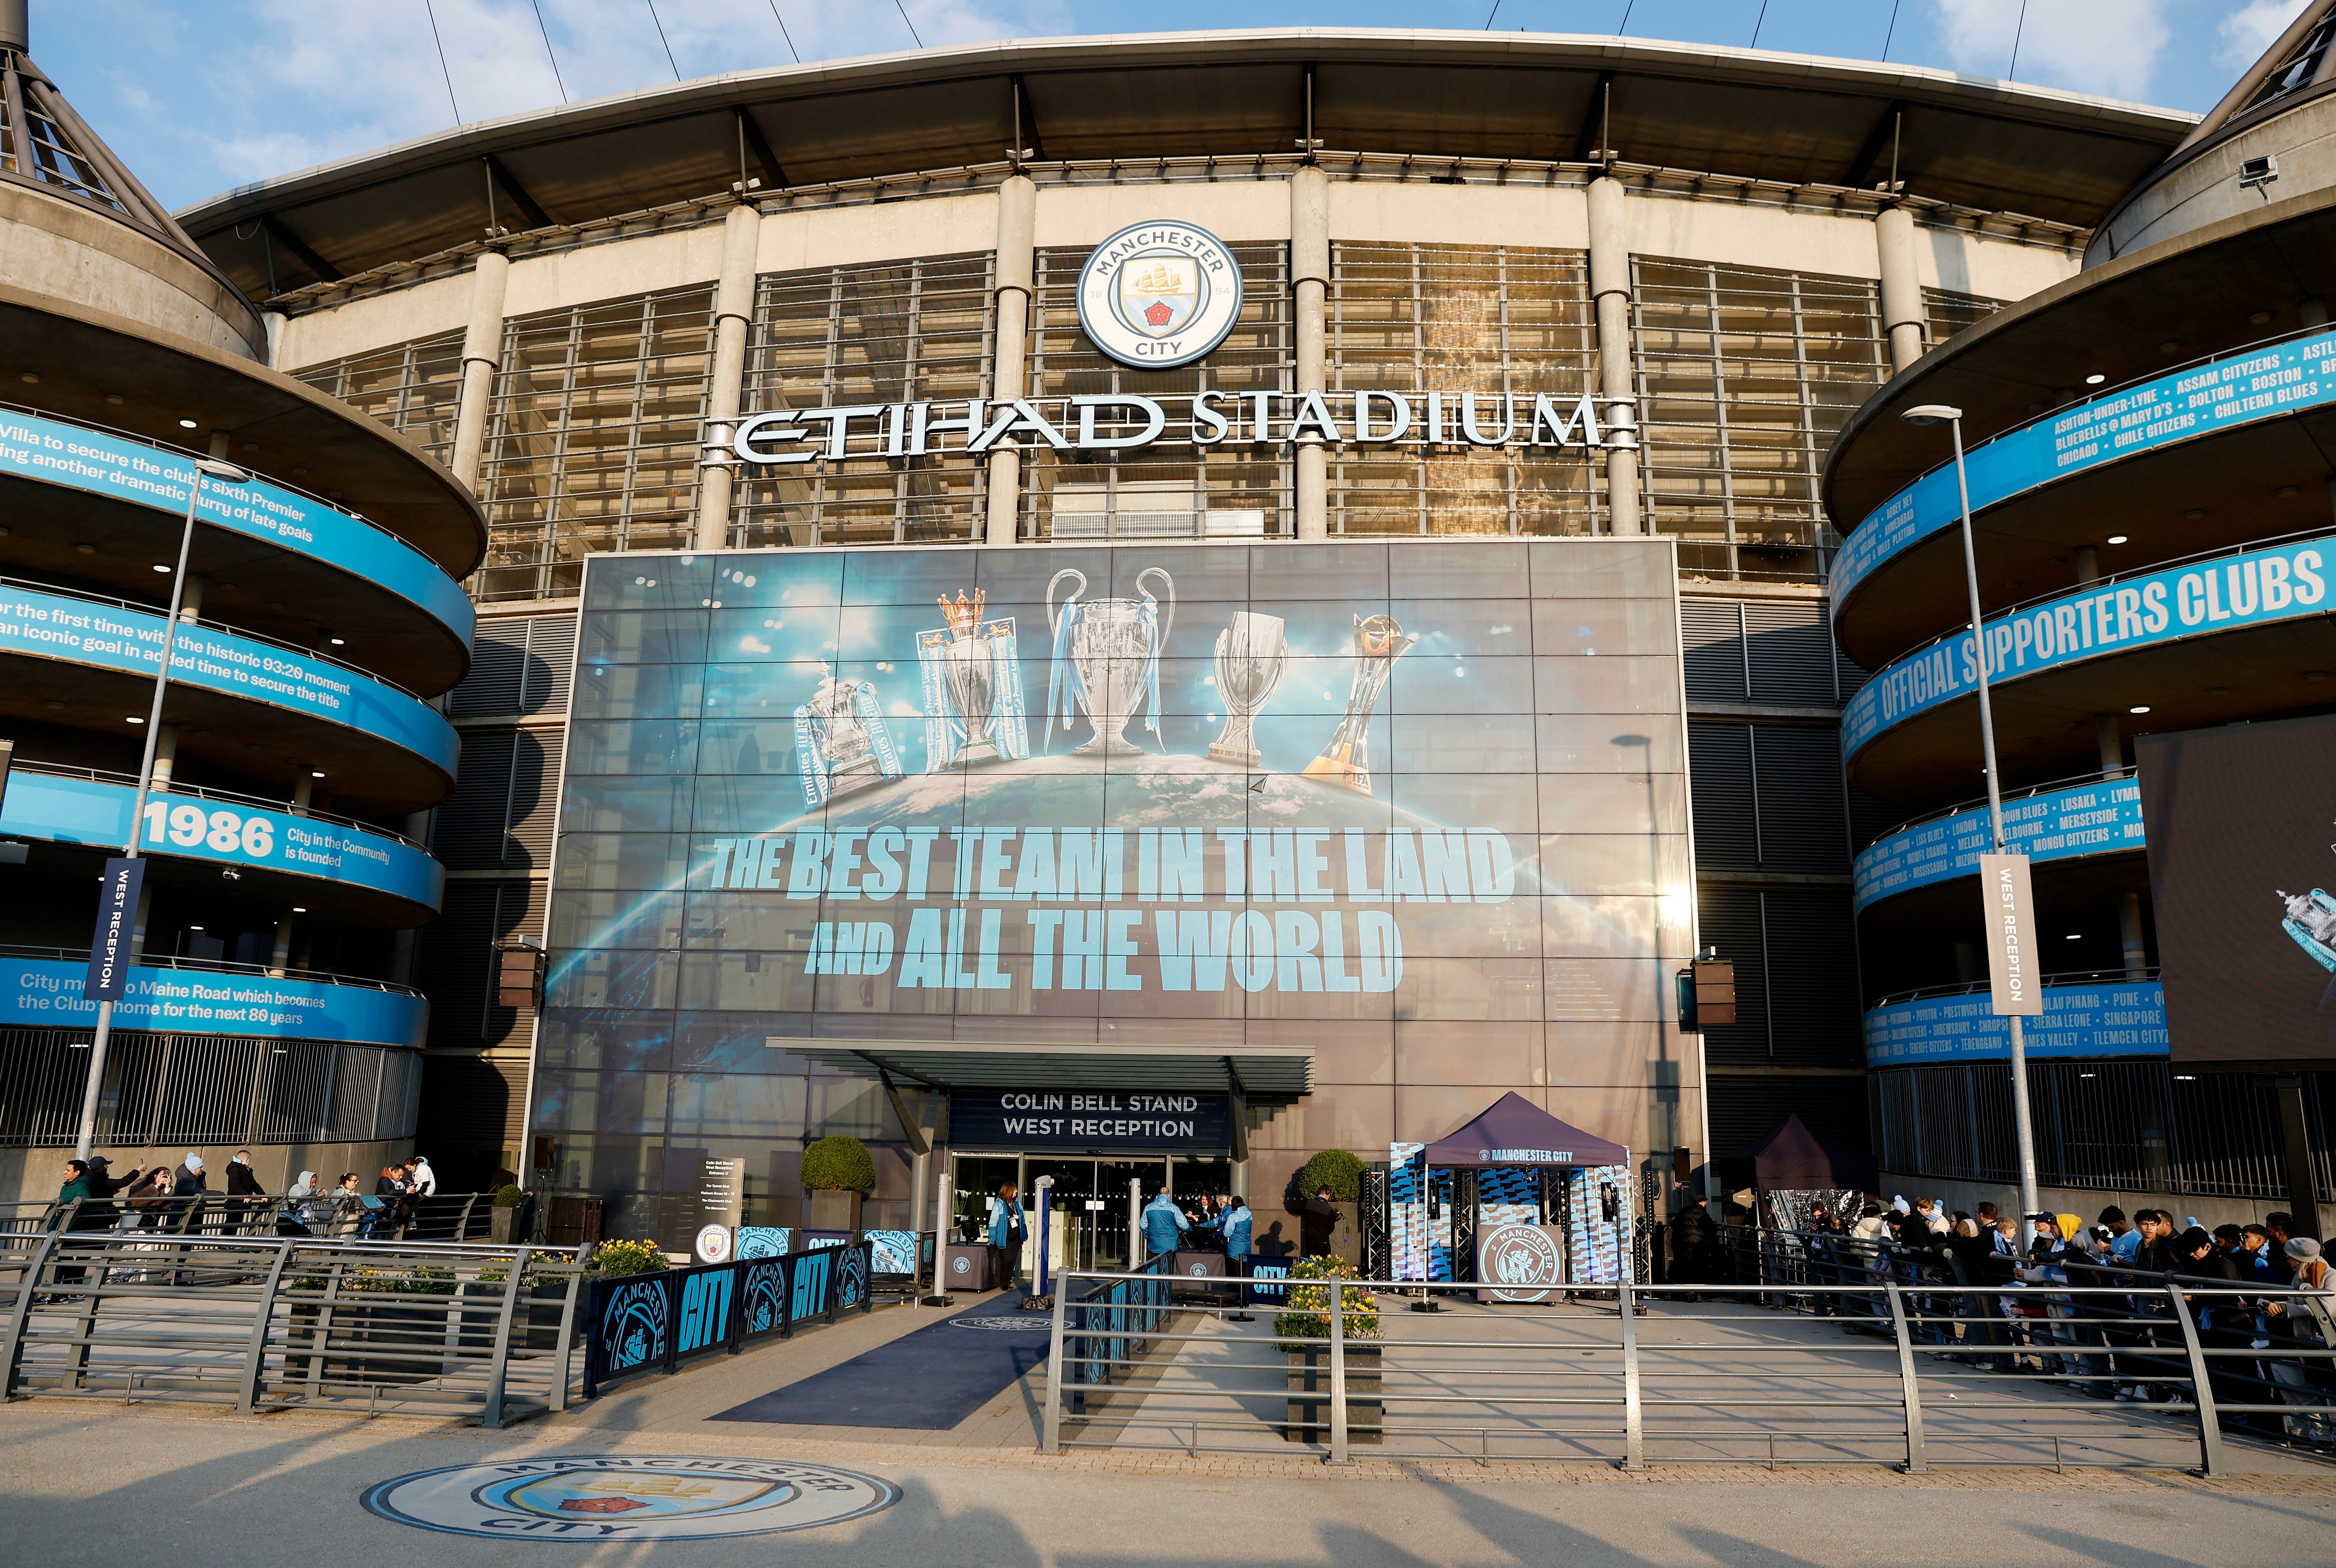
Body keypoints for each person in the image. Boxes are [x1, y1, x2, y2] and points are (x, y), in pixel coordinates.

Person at [2263, 1238, 2334, 1446]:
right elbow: (2295, 1301)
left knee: (2315, 1390)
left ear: (2299, 1258)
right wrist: (2277, 1304)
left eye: (2289, 1256)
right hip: (2304, 1340)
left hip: (2325, 1342)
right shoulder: (2300, 1277)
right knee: (2297, 1390)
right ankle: (2304, 1432)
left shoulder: (2331, 1276)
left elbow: (2325, 1310)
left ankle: (2324, 1438)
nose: (2287, 1259)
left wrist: (2287, 1310)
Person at [987, 1180, 1025, 1289]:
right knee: (1007, 1259)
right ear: (1009, 1191)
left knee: (1013, 1260)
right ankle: (1004, 1282)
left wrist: (1024, 1235)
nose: (1017, 1191)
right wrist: (991, 1240)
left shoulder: (1017, 1203)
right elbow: (993, 1223)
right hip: (1006, 1238)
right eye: (1015, 1189)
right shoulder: (999, 1205)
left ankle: (1008, 1280)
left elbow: (1022, 1220)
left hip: (1016, 1237)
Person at [1143, 1186, 1190, 1258]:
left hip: (1154, 1246)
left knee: (1153, 1268)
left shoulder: (1148, 1208)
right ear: (1169, 1195)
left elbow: (1143, 1225)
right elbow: (1184, 1225)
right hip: (1171, 1246)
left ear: (1158, 1195)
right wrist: (1191, 1230)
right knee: (1169, 1268)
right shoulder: (1174, 1208)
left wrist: (1149, 1237)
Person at [1222, 1195, 1253, 1264]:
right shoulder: (1250, 1215)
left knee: (1234, 1273)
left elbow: (1227, 1233)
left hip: (1235, 1250)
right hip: (1247, 1249)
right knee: (1244, 1272)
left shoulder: (1233, 1216)